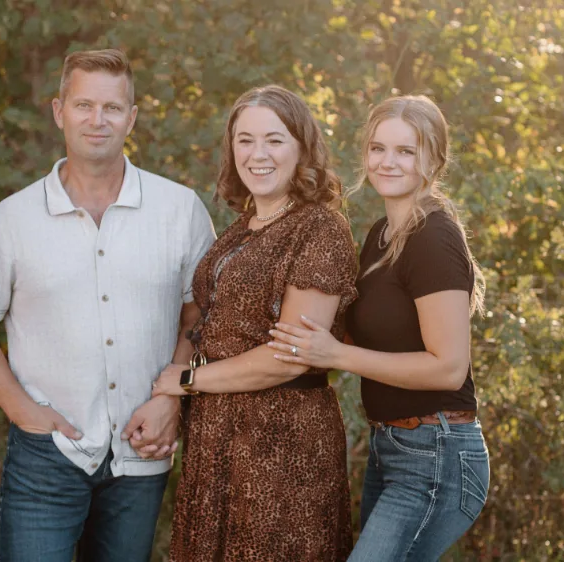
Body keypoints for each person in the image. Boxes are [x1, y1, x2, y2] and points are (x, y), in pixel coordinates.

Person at [0, 48, 216, 562]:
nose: (98, 120)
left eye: (113, 108)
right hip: (45, 455)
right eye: (84, 105)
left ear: (132, 118)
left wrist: (171, 397)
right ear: (59, 111)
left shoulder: (179, 209)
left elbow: (201, 317)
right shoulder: (11, 220)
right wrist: (22, 410)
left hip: (142, 453)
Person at [269, 95, 490, 560]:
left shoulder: (433, 237)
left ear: (433, 159)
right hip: (392, 447)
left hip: (439, 454)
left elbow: (449, 369)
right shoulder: (380, 235)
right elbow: (364, 334)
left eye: (405, 151)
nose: (387, 162)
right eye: (378, 148)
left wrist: (335, 355)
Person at [151, 85, 358, 561]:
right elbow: (205, 322)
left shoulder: (320, 228)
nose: (257, 154)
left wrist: (186, 381)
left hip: (281, 443)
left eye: (274, 140)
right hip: (216, 437)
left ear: (302, 147)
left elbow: (289, 356)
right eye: (245, 140)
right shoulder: (242, 227)